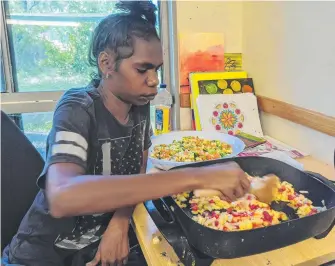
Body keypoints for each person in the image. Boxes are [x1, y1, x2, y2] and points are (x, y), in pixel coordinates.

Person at [2, 1, 250, 265]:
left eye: (157, 69)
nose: (154, 79)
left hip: (96, 246)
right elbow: (63, 195)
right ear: (107, 63)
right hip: (40, 254)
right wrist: (198, 176)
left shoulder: (139, 106)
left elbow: (138, 169)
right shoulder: (77, 108)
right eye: (143, 69)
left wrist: (119, 223)